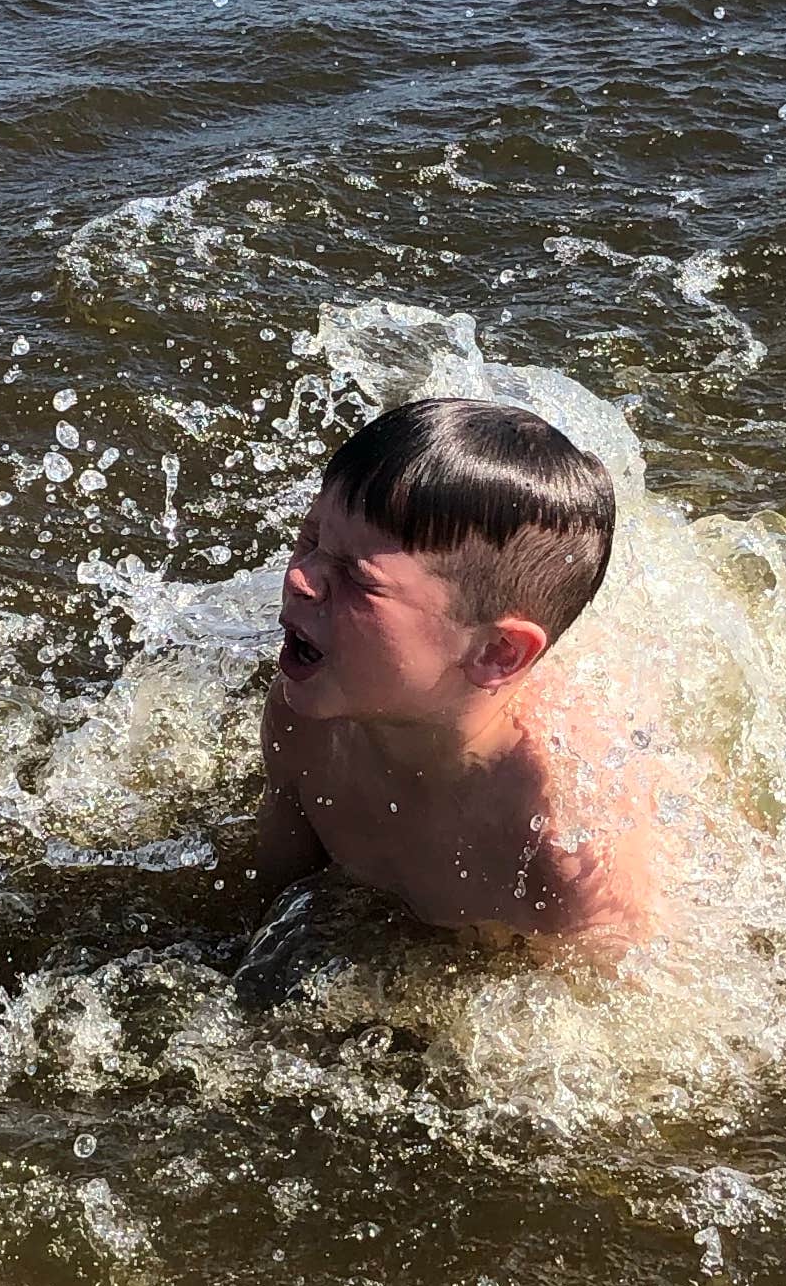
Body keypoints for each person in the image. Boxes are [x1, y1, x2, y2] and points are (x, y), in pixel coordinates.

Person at [252, 394, 674, 956]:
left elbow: (635, 1007)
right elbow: (265, 899)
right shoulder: (305, 716)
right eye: (310, 539)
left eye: (357, 578)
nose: (301, 578)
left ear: (496, 654)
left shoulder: (563, 842)